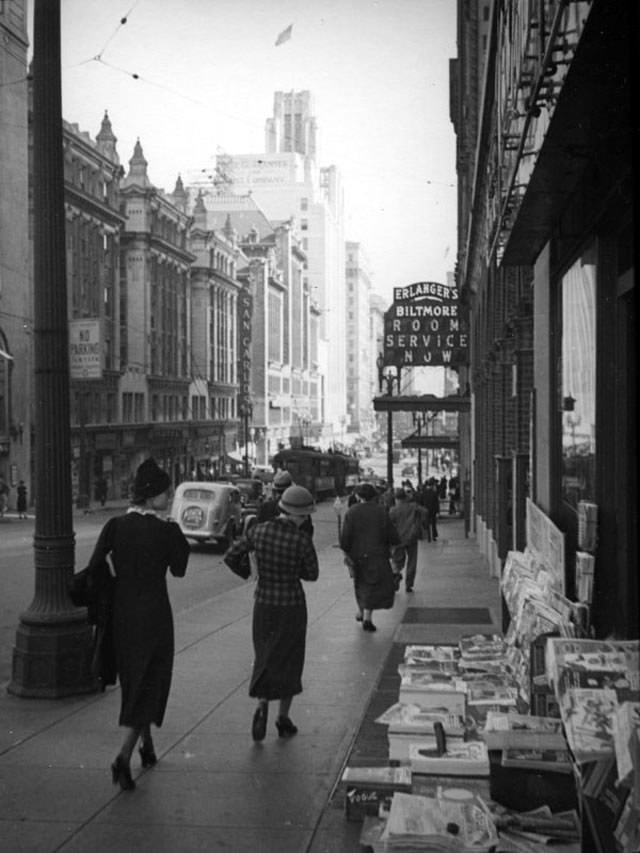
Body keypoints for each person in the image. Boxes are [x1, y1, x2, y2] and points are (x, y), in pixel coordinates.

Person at [85, 457, 189, 791]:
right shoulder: (166, 530)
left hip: (123, 615)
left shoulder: (115, 526)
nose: (170, 495)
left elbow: (96, 568)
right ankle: (123, 756)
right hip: (155, 615)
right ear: (151, 496)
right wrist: (173, 529)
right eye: (165, 491)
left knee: (136, 681)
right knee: (152, 681)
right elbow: (180, 569)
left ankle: (147, 746)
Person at [226, 484, 319, 741]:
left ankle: (262, 701)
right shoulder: (301, 540)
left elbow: (231, 555)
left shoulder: (259, 531)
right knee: (290, 659)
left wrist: (251, 572)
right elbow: (312, 574)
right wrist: (293, 570)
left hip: (264, 604)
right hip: (292, 606)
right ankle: (283, 717)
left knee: (265, 654)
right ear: (299, 516)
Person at [340, 482, 400, 632]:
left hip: (357, 555)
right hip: (377, 554)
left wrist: (346, 551)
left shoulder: (352, 512)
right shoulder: (381, 511)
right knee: (372, 585)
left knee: (360, 583)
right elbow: (392, 535)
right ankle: (366, 616)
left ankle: (362, 611)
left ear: (358, 496)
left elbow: (345, 537)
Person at [389, 487, 427, 593]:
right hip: (412, 537)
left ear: (396, 499)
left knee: (397, 561)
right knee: (412, 561)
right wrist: (418, 522)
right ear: (405, 497)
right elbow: (425, 512)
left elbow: (388, 524)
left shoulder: (393, 510)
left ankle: (395, 576)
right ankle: (409, 584)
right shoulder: (413, 507)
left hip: (398, 539)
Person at [257, 469, 313, 537]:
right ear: (291, 488)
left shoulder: (264, 507)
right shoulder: (301, 509)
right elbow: (308, 533)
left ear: (275, 490)